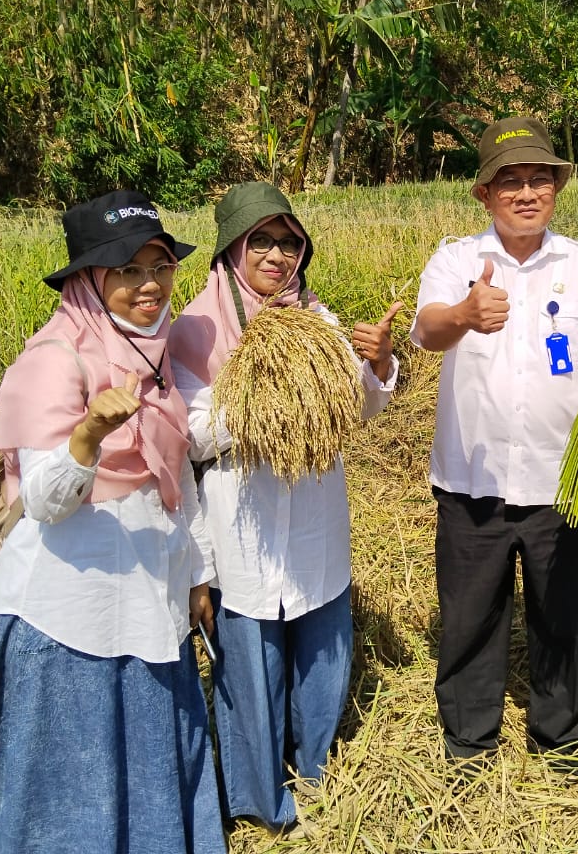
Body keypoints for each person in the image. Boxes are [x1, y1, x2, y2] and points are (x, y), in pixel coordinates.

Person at [0, 191, 224, 854]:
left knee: (147, 744)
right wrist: (88, 435)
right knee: (64, 780)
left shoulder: (152, 356)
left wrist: (195, 574)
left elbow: (171, 484)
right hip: (69, 610)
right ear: (90, 282)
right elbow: (43, 501)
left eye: (160, 265)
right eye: (127, 270)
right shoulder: (53, 360)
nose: (149, 284)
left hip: (147, 592)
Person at [168, 181, 400, 831]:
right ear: (231, 248)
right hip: (241, 524)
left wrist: (376, 364)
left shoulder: (317, 318)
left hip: (316, 516)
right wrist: (267, 396)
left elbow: (356, 406)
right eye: (261, 241)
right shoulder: (195, 327)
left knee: (322, 657)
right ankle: (257, 798)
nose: (277, 255)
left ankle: (316, 771)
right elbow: (189, 432)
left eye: (288, 242)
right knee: (251, 669)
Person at [410, 116, 578, 765]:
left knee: (563, 616)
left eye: (539, 180)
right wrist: (466, 315)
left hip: (562, 478)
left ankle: (560, 738)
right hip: (474, 480)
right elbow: (426, 331)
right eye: (511, 182)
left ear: (556, 188)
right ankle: (469, 739)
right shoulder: (456, 260)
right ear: (484, 194)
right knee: (471, 616)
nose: (526, 193)